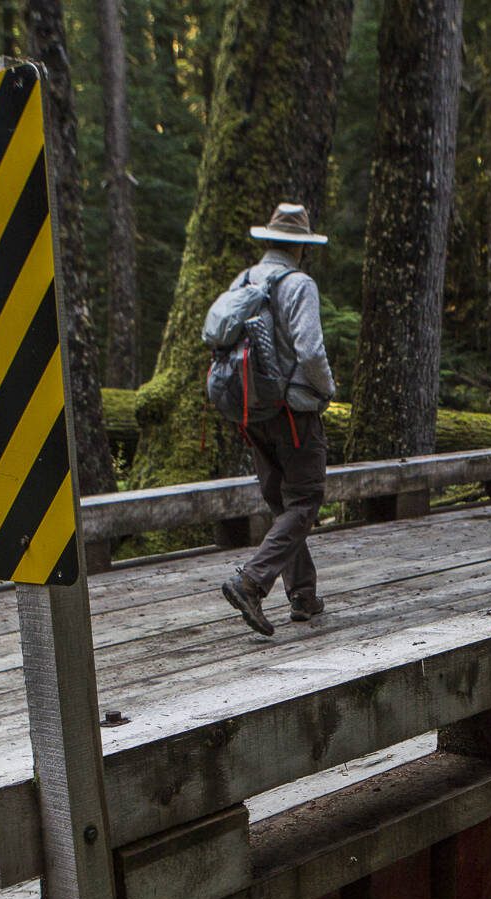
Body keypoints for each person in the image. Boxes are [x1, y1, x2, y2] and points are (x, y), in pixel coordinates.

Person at [218, 202, 336, 637]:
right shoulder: (299, 284)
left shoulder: (245, 280)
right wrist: (327, 390)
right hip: (293, 413)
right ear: (301, 247)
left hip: (251, 410)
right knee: (305, 501)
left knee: (283, 504)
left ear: (268, 240)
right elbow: (310, 349)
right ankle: (251, 582)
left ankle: (303, 595)